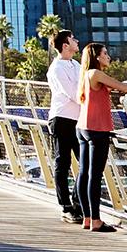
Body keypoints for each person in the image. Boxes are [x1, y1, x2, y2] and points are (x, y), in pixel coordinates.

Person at [76, 43, 127, 233]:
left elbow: (105, 90)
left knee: (84, 173)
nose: (108, 57)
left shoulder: (87, 75)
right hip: (97, 130)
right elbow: (123, 86)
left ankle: (87, 218)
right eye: (105, 53)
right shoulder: (96, 73)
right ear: (96, 57)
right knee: (94, 176)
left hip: (83, 127)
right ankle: (96, 220)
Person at [45, 29, 84, 223]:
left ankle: (78, 203)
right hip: (61, 119)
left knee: (86, 163)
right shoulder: (57, 68)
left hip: (78, 120)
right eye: (73, 39)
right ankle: (66, 206)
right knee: (63, 163)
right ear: (65, 46)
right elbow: (74, 94)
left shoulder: (76, 64)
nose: (77, 41)